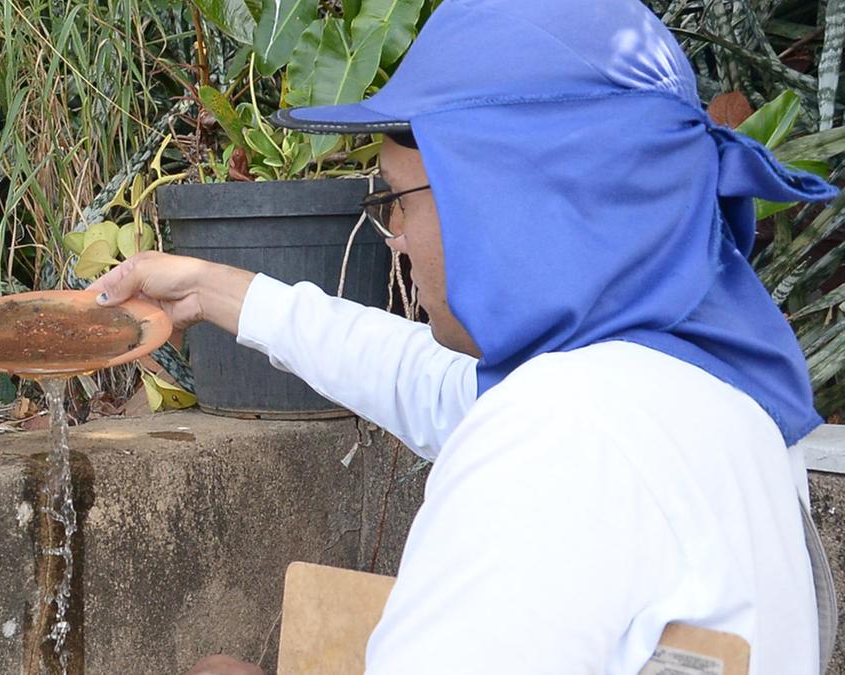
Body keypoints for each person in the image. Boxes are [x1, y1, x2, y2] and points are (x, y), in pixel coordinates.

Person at [91, 0, 839, 672]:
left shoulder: (562, 436)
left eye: (400, 198)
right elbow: (421, 377)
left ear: (503, 194)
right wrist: (207, 288)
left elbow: (524, 427)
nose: (395, 234)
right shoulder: (710, 389)